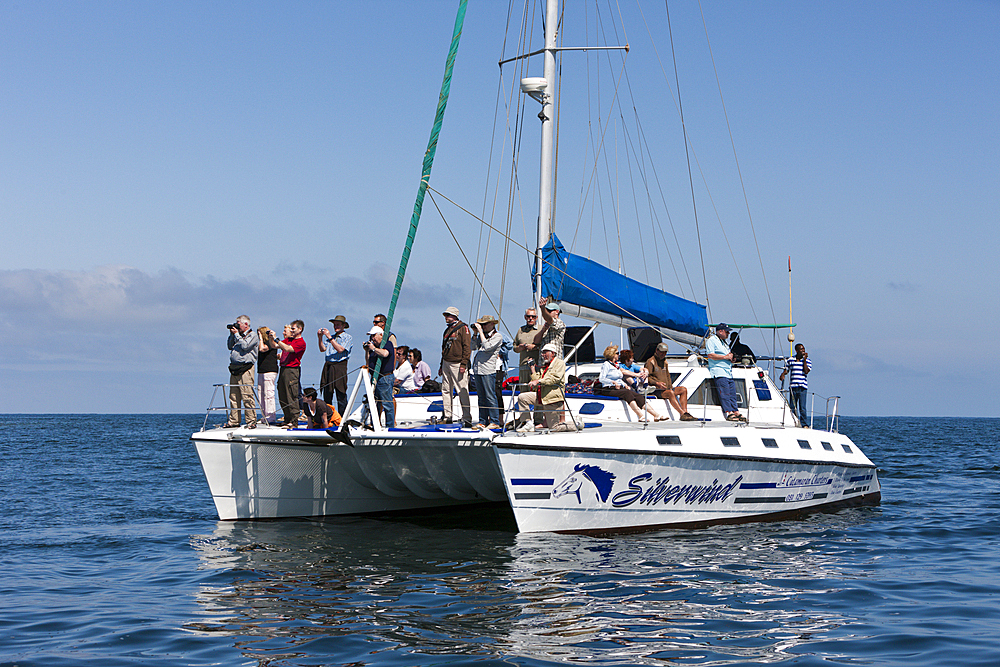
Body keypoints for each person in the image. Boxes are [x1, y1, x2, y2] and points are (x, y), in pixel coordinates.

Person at [596, 344, 666, 422]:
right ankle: (640, 416)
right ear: (612, 355)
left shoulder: (616, 365)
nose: (618, 355)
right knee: (627, 393)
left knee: (638, 396)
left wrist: (624, 384)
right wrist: (613, 383)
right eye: (617, 353)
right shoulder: (606, 365)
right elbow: (601, 378)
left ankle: (656, 415)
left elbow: (619, 378)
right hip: (608, 388)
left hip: (618, 388)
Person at [514, 342, 572, 432]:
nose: (542, 355)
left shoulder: (560, 363)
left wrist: (538, 381)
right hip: (542, 396)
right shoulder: (544, 366)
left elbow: (554, 379)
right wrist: (532, 369)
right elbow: (538, 379)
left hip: (552, 399)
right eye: (542, 353)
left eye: (545, 352)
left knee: (554, 427)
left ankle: (576, 425)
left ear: (552, 353)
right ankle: (528, 423)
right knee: (522, 397)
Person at [645, 342, 696, 421]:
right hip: (656, 390)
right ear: (657, 350)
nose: (663, 354)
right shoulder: (650, 361)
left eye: (665, 352)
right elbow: (646, 377)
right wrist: (657, 383)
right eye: (661, 352)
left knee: (683, 390)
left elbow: (668, 375)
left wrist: (670, 385)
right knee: (670, 393)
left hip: (667, 388)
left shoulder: (665, 362)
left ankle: (685, 412)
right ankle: (681, 413)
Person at [439, 306, 472, 426]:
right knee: (446, 390)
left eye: (448, 315)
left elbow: (467, 347)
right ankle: (448, 415)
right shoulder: (447, 330)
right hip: (447, 362)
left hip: (458, 363)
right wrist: (441, 365)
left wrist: (464, 363)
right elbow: (443, 349)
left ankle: (467, 416)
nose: (446, 318)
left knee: (462, 390)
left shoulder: (463, 328)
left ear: (454, 316)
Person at [705, 323, 745, 422]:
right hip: (719, 371)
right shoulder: (711, 341)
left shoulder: (724, 342)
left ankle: (735, 411)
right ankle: (729, 412)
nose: (728, 334)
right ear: (720, 331)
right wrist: (725, 357)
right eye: (726, 332)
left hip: (728, 371)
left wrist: (731, 358)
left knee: (732, 393)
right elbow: (710, 355)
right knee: (725, 393)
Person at [226, 315, 259, 428]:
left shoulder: (253, 335)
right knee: (234, 396)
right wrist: (232, 335)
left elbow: (245, 346)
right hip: (235, 368)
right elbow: (230, 346)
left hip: (246, 368)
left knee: (247, 395)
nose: (237, 326)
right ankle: (234, 420)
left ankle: (251, 421)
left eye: (238, 324)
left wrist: (236, 335)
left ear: (246, 324)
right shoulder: (237, 336)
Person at [471, 315, 503, 429]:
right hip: (478, 369)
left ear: (492, 324)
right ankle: (482, 421)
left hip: (488, 370)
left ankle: (494, 421)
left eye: (485, 324)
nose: (483, 327)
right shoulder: (481, 336)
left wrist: (480, 331)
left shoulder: (497, 336)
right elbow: (473, 347)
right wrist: (475, 334)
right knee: (481, 397)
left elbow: (487, 346)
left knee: (490, 396)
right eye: (482, 325)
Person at [317, 315, 352, 416]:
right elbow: (322, 349)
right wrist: (320, 337)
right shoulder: (331, 337)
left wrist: (329, 337)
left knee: (341, 393)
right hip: (328, 366)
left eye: (338, 324)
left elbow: (341, 349)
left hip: (340, 366)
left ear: (343, 326)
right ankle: (329, 417)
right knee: (327, 393)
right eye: (335, 325)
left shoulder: (347, 337)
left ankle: (343, 418)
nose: (336, 326)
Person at [274, 320, 306, 428]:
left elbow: (287, 348)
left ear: (300, 329)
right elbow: (275, 345)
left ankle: (294, 421)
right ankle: (287, 418)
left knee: (291, 395)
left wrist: (276, 339)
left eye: (293, 328)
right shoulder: (288, 340)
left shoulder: (301, 342)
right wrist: (270, 337)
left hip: (292, 370)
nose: (291, 331)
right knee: (282, 393)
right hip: (283, 369)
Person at [363, 325, 395, 428]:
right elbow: (368, 362)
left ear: (381, 335)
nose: (372, 338)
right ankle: (375, 424)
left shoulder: (387, 344)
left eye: (374, 336)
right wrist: (367, 350)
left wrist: (373, 348)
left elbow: (385, 354)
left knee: (386, 403)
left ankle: (390, 426)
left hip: (384, 378)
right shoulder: (374, 349)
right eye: (371, 336)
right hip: (375, 378)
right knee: (375, 403)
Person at [780, 343, 812, 427]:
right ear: (797, 350)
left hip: (802, 387)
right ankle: (793, 422)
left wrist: (804, 360)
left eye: (804, 349)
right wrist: (783, 374)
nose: (803, 351)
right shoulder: (791, 360)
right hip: (793, 387)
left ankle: (804, 424)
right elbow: (787, 369)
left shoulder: (808, 361)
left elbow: (806, 371)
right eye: (801, 350)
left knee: (802, 408)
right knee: (792, 407)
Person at [256, 325, 279, 425]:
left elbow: (262, 349)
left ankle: (271, 417)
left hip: (270, 371)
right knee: (261, 394)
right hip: (261, 371)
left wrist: (261, 338)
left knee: (268, 394)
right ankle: (264, 416)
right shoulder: (262, 343)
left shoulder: (270, 343)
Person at [512, 307, 541, 388]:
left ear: (536, 318)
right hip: (523, 366)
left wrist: (535, 347)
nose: (530, 319)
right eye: (528, 316)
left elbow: (546, 346)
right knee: (524, 391)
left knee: (536, 391)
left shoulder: (541, 329)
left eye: (533, 317)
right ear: (525, 317)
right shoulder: (520, 330)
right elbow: (514, 347)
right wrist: (519, 348)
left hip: (537, 366)